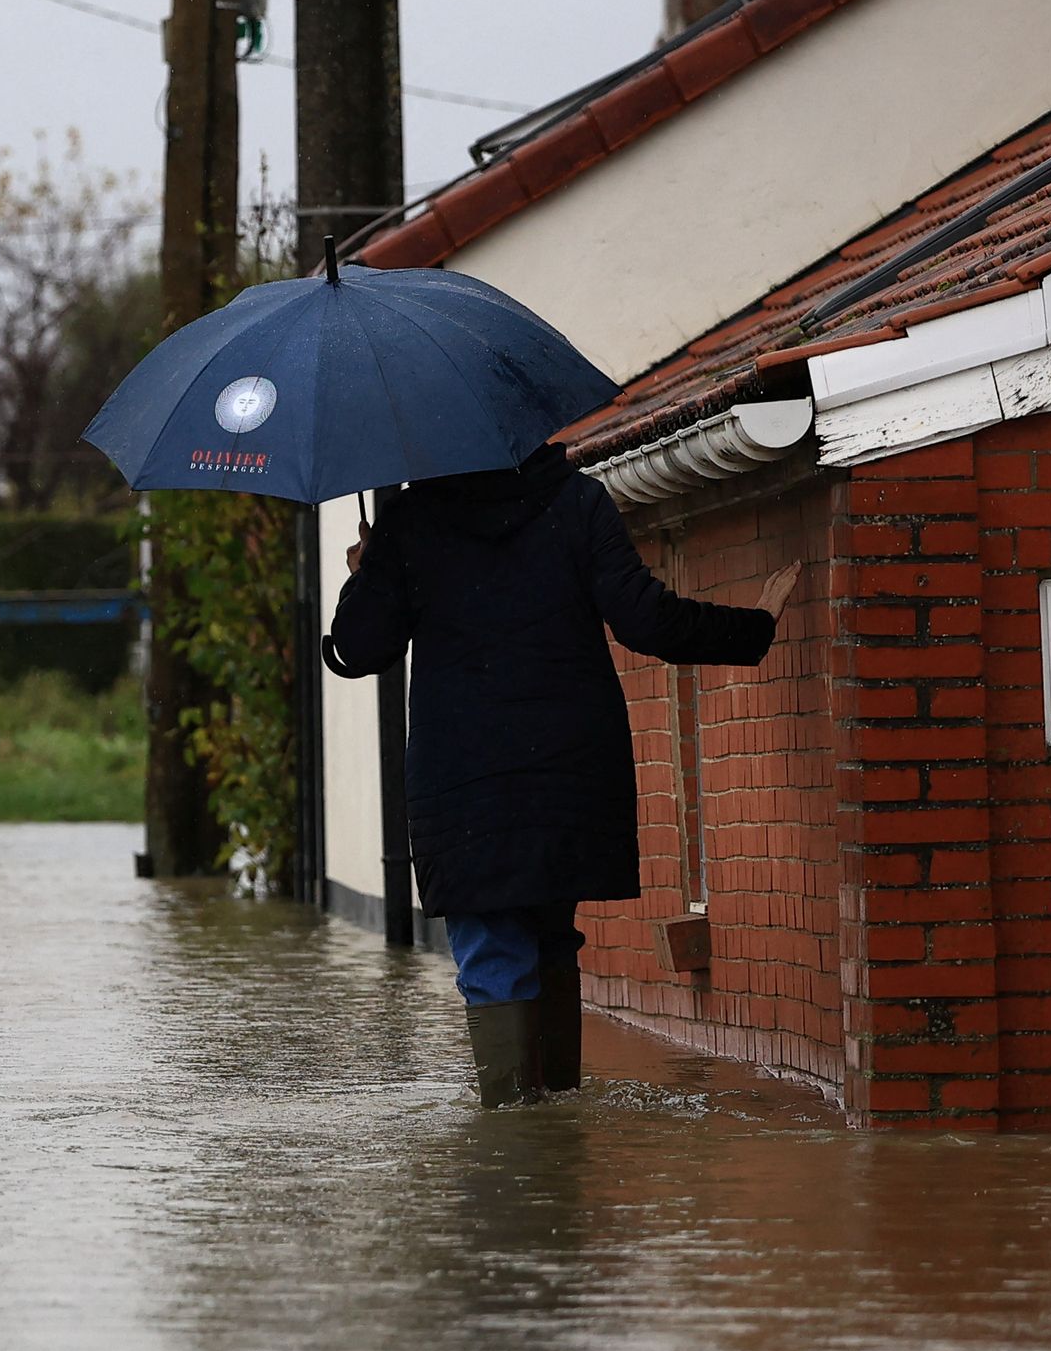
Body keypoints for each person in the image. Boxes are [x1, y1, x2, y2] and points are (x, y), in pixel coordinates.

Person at [324, 440, 785, 1107]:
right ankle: (556, 1136)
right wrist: (755, 628)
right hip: (568, 773)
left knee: (492, 952)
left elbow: (359, 648)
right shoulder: (577, 501)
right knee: (550, 938)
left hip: (465, 783)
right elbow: (646, 618)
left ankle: (515, 1146)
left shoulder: (413, 519)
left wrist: (365, 574)